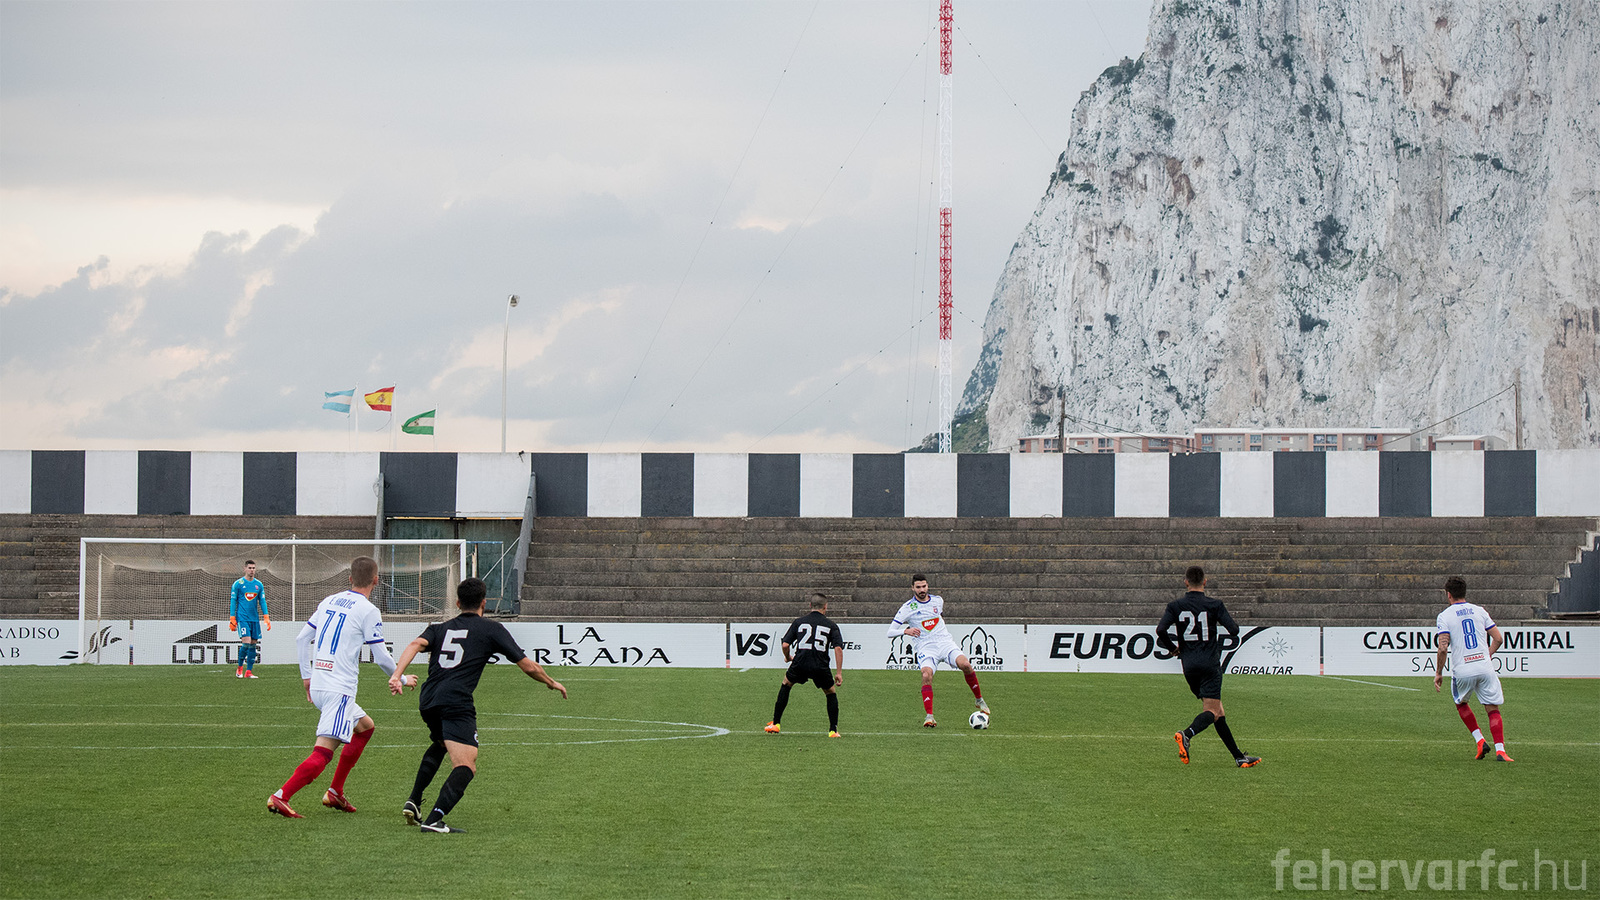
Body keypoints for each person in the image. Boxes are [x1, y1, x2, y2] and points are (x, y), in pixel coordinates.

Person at [389, 577, 567, 834]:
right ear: (484, 603)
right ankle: (434, 820)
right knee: (466, 765)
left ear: (458, 603)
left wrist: (397, 675)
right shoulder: (491, 629)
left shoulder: (439, 628)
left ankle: (414, 800)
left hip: (428, 699)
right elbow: (528, 666)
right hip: (455, 702)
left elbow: (415, 644)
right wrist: (551, 682)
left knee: (441, 743)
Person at [267, 556, 415, 818]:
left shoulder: (329, 600)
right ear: (376, 580)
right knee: (323, 752)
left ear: (349, 578)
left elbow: (302, 639)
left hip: (319, 683)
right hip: (339, 689)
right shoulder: (368, 610)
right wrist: (401, 678)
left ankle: (335, 792)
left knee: (365, 728)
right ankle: (281, 796)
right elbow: (381, 656)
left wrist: (306, 676)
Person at [1157, 566, 1260, 768]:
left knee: (1218, 712)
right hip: (1210, 664)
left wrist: (1173, 649)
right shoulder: (1215, 604)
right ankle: (1187, 734)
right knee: (1212, 711)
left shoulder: (1175, 606)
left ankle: (1239, 757)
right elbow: (1234, 630)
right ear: (1205, 582)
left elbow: (1161, 630)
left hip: (1189, 666)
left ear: (1186, 582)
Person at [886, 574, 988, 728]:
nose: (922, 590)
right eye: (918, 587)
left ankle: (979, 699)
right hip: (926, 647)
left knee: (966, 665)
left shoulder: (938, 601)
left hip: (945, 643)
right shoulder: (907, 608)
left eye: (924, 586)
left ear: (927, 586)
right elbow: (890, 632)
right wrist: (905, 631)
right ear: (912, 588)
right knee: (926, 675)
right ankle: (929, 717)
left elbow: (938, 617)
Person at [1434, 576, 1513, 762]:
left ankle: (1480, 740)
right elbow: (1498, 639)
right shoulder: (1480, 611)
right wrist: (1487, 655)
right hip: (1485, 667)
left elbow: (1443, 648)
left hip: (1463, 669)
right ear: (1464, 592)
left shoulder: (1445, 616)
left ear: (1448, 594)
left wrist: (1439, 673)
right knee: (1492, 709)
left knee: (1461, 703)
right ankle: (1501, 751)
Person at [764, 593, 845, 737]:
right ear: (825, 607)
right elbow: (838, 648)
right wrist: (838, 673)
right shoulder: (831, 625)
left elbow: (785, 644)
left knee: (786, 684)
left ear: (810, 605)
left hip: (800, 662)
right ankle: (833, 730)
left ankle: (776, 724)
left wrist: (788, 657)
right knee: (830, 692)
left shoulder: (799, 622)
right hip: (820, 665)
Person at [230, 560, 271, 678]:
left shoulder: (259, 584)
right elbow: (233, 601)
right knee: (246, 643)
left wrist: (266, 616)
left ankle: (249, 672)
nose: (252, 570)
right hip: (242, 618)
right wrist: (232, 618)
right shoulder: (238, 584)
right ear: (245, 569)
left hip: (254, 619)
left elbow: (262, 601)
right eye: (250, 568)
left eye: (253, 568)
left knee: (253, 644)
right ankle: (239, 668)